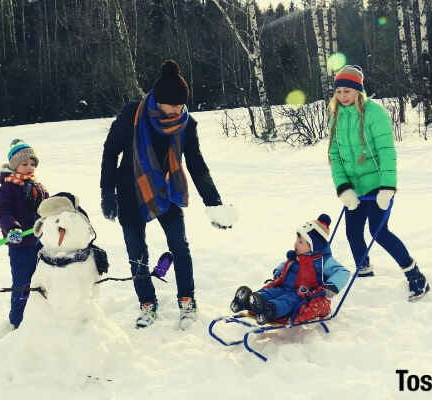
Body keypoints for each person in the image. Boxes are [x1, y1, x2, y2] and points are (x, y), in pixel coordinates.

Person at [100, 59, 236, 329]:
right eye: (173, 104)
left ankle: (187, 300)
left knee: (180, 246)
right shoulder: (132, 115)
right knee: (137, 253)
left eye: (182, 104)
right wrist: (107, 192)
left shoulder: (186, 124)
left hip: (166, 191)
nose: (179, 109)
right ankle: (147, 304)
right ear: (159, 101)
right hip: (130, 191)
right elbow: (110, 151)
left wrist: (214, 203)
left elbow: (196, 165)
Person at [327, 65, 430, 301]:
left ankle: (416, 276)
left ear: (358, 91)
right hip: (354, 188)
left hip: (378, 185)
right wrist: (343, 189)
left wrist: (387, 188)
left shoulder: (375, 114)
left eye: (348, 91)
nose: (343, 96)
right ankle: (364, 275)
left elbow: (386, 153)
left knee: (378, 231)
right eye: (339, 91)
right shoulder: (336, 115)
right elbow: (334, 155)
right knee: (352, 232)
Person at [229, 214, 349, 325]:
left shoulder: (323, 261)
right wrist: (279, 271)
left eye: (301, 242)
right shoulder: (297, 256)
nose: (296, 244)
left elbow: (343, 272)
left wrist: (332, 285)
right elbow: (285, 265)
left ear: (313, 246)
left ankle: (270, 310)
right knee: (272, 291)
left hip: (302, 294)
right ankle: (249, 301)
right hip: (284, 286)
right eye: (297, 240)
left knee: (288, 300)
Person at [0, 139, 49, 328]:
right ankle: (18, 321)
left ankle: (42, 316)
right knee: (23, 283)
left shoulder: (38, 186)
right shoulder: (7, 188)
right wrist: (12, 228)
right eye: (24, 164)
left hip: (40, 242)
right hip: (20, 245)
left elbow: (46, 208)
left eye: (32, 164)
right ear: (15, 165)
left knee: (44, 279)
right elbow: (1, 212)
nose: (29, 167)